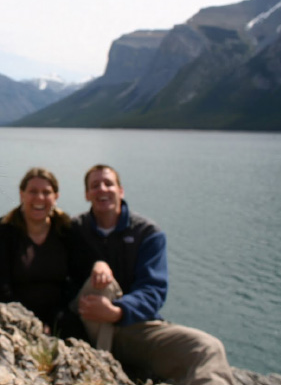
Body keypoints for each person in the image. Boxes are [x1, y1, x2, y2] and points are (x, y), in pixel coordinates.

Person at [70, 164, 236, 385]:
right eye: (95, 185)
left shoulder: (147, 233)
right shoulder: (74, 229)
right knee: (101, 284)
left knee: (207, 348)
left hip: (132, 329)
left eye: (108, 183)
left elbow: (153, 291)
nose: (102, 189)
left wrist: (117, 311)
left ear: (121, 190)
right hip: (86, 324)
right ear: (87, 194)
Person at [0, 167, 83, 336]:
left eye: (46, 192)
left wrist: (55, 319)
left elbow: (79, 276)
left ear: (56, 197)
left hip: (59, 316)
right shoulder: (1, 233)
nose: (40, 198)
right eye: (33, 191)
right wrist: (31, 323)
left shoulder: (67, 230)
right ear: (22, 194)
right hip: (12, 315)